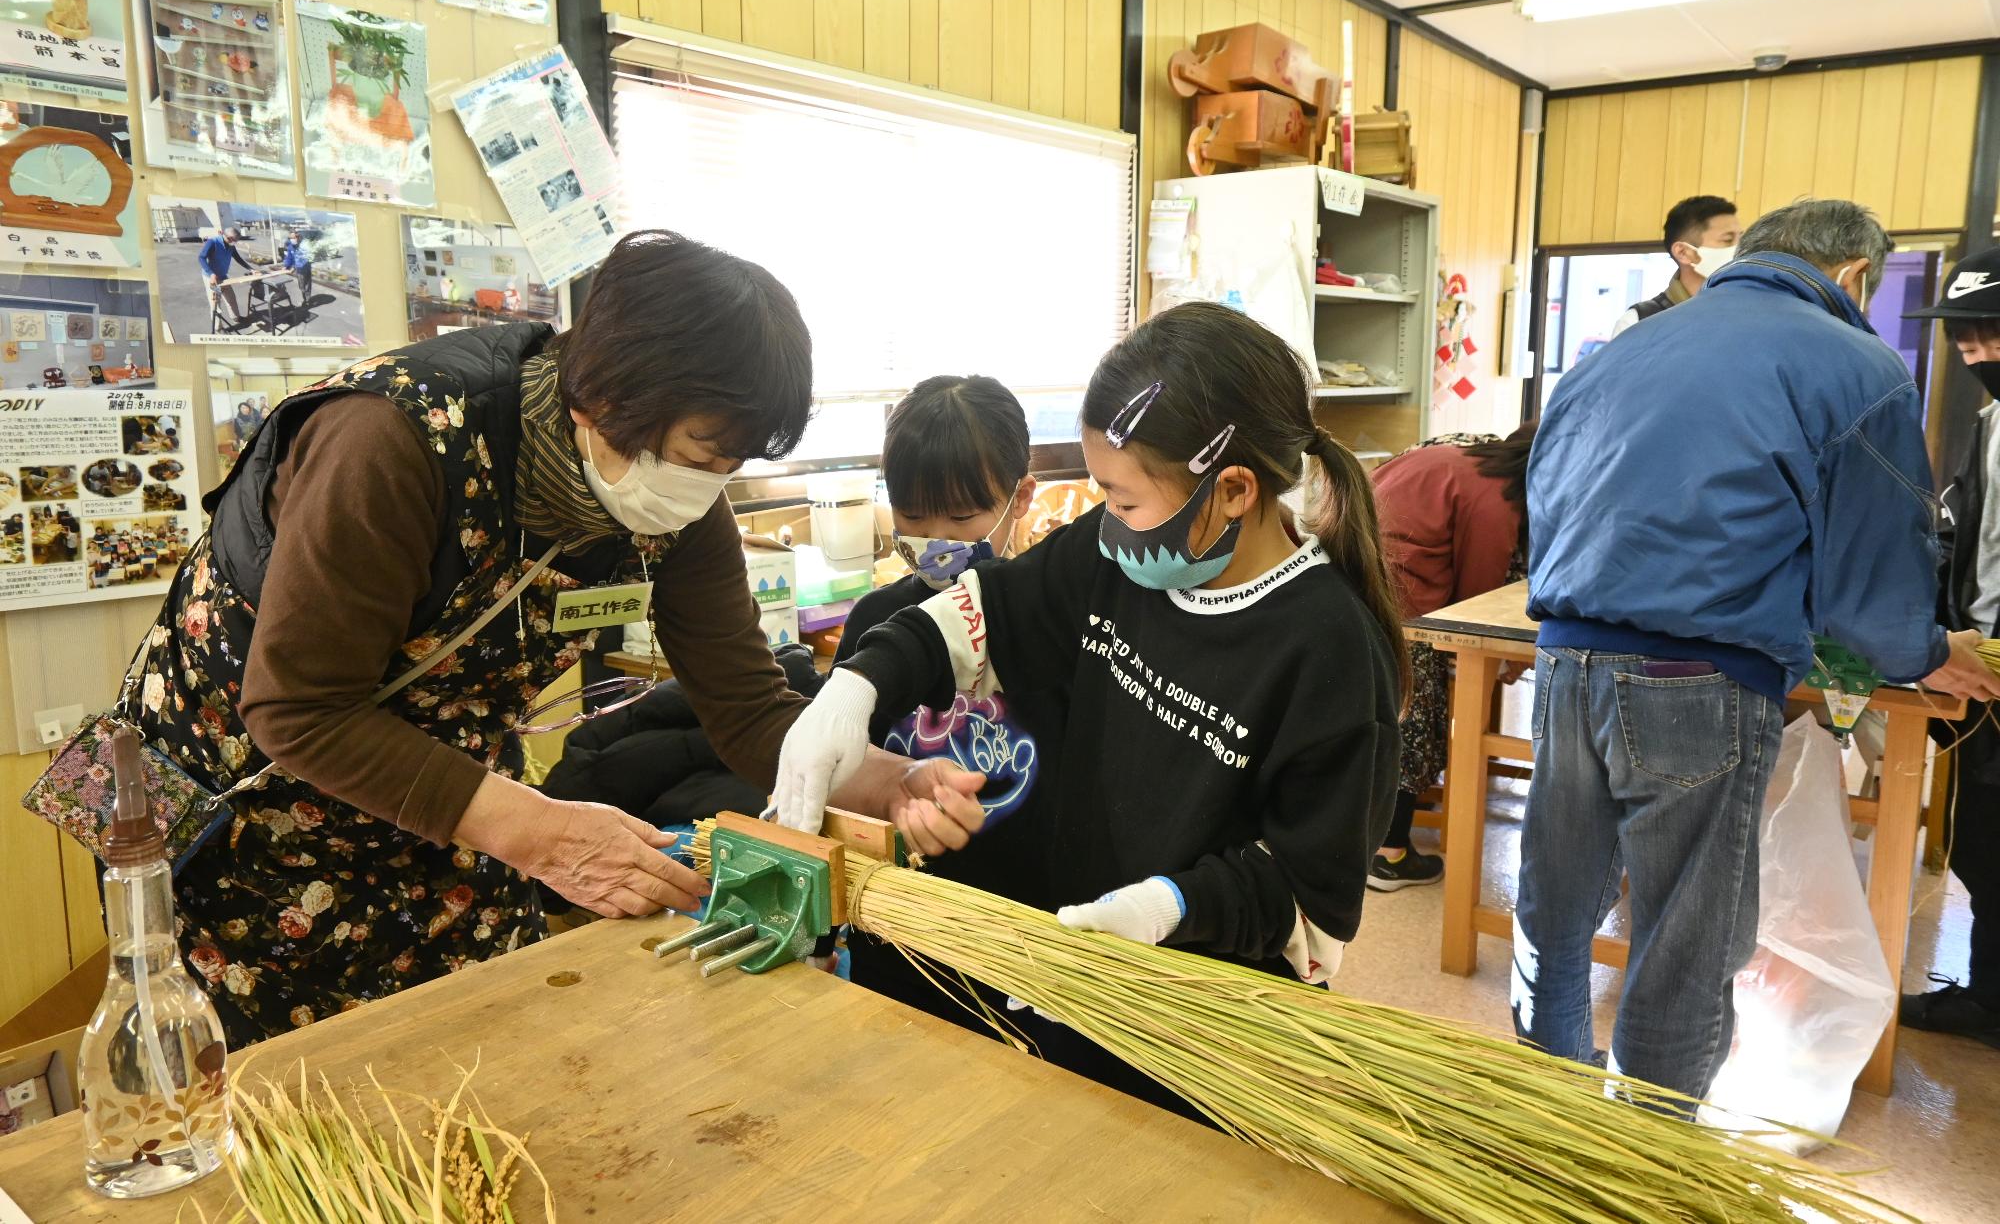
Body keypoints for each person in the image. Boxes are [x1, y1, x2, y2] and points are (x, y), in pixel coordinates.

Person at [125, 230, 930, 1045]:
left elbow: (748, 708)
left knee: (493, 1055)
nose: (711, 483)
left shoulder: (679, 500)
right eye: (704, 450)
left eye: (735, 461)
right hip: (241, 806)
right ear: (604, 400)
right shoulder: (390, 442)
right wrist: (542, 832)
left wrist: (881, 780)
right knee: (295, 1098)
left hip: (447, 799)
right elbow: (299, 708)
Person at [771, 301, 1406, 1110]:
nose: (1109, 521)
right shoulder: (1117, 558)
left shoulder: (1330, 653)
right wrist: (859, 685)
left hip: (1207, 1031)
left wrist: (1169, 904)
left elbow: (1306, 897)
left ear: (1236, 489)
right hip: (1081, 979)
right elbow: (982, 614)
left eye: (1127, 498)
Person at [1519, 198, 2000, 1107]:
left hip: (1563, 659)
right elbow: (1872, 570)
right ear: (1853, 275)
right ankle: (1645, 1157)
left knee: (1555, 903)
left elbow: (1546, 504)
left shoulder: (1619, 348)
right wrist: (1928, 650)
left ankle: (1544, 1106)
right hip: (1698, 677)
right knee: (1684, 939)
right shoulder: (1857, 365)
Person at [830, 376, 1060, 1020]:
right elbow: (842, 771)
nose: (935, 539)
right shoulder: (875, 622)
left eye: (962, 517)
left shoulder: (1055, 623)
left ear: (1022, 498)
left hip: (1028, 933)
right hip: (899, 925)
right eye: (912, 515)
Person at [1368, 422, 1536, 890]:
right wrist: (1505, 659)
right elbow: (1476, 603)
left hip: (1352, 577)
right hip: (1397, 599)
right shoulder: (1497, 497)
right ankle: (1389, 853)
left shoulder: (1459, 450)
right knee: (1416, 715)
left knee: (1377, 713)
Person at [1903, 245, 2000, 1049]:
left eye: (1989, 331)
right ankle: (1989, 990)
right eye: (1964, 337)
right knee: (1981, 837)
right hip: (1984, 659)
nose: (1976, 351)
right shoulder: (1990, 421)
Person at [1606, 195, 1739, 339]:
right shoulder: (1638, 323)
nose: (1741, 248)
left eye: (1742, 238)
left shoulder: (1747, 312)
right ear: (1683, 253)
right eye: (1728, 240)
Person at [199, 227, 254, 325]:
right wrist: (211, 274)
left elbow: (238, 258)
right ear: (229, 237)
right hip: (211, 277)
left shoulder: (230, 245)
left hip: (223, 275)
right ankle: (218, 328)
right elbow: (201, 258)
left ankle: (236, 317)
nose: (236, 243)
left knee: (231, 298)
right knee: (215, 304)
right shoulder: (213, 242)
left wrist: (251, 269)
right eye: (235, 240)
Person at [282, 229, 314, 308]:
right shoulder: (290, 246)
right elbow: (289, 258)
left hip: (305, 267)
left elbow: (304, 259)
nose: (293, 239)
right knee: (301, 286)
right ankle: (305, 299)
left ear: (298, 237)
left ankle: (307, 301)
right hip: (299, 269)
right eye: (291, 238)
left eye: (294, 237)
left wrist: (294, 267)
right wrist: (286, 266)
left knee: (306, 285)